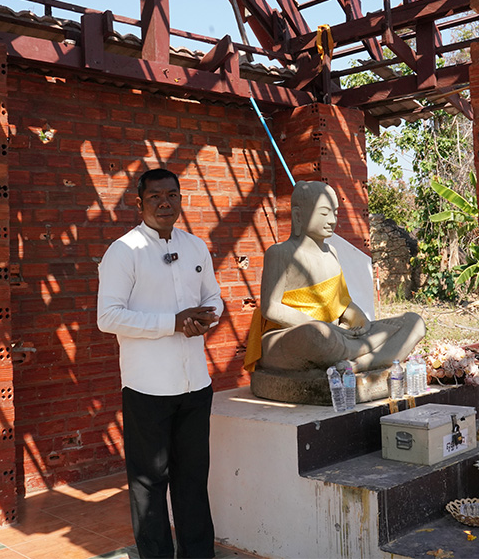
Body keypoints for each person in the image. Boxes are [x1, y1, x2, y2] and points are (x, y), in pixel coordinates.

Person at [97, 168, 222, 559]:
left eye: (172, 195)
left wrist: (207, 315)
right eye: (155, 197)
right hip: (148, 387)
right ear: (139, 203)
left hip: (195, 385)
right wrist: (171, 323)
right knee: (149, 484)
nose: (165, 203)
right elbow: (108, 317)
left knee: (192, 480)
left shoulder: (196, 246)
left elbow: (214, 296)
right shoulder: (124, 251)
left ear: (181, 199)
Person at [244, 180, 424, 376]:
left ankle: (360, 364)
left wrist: (362, 323)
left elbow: (342, 303)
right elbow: (271, 308)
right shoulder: (280, 253)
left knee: (414, 322)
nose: (331, 220)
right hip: (290, 335)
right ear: (298, 215)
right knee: (316, 335)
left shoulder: (332, 253)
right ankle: (372, 346)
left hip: (339, 335)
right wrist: (325, 327)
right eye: (323, 213)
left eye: (335, 213)